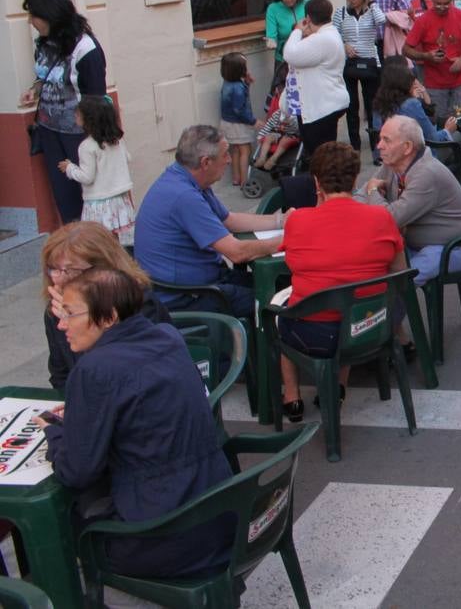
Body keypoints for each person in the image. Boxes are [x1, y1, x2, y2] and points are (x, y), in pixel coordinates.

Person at [40, 268, 233, 579]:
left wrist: (55, 432)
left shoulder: (95, 369)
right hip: (217, 516)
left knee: (59, 523)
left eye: (70, 314)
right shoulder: (167, 337)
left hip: (161, 537)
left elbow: (76, 472)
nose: (61, 324)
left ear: (108, 317)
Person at [274, 142, 406, 421]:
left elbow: (293, 266)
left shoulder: (299, 221)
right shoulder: (381, 217)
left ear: (316, 181)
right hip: (371, 328)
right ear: (355, 178)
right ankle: (337, 386)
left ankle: (292, 395)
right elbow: (399, 272)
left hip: (314, 336)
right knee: (350, 298)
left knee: (282, 307)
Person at [135, 126, 284, 317]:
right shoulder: (184, 196)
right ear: (205, 162)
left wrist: (281, 221)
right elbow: (236, 253)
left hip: (201, 282)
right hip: (186, 296)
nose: (230, 160)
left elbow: (229, 220)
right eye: (225, 155)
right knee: (278, 301)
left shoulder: (184, 178)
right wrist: (286, 242)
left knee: (280, 284)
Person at [40, 222, 168, 391]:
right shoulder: (54, 312)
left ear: (105, 268)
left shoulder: (137, 304)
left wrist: (77, 320)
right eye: (54, 269)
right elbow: (60, 376)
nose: (61, 279)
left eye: (71, 270)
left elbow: (121, 378)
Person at [19, 0, 109, 223]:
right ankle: (75, 249)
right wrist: (35, 90)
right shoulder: (44, 43)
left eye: (33, 16)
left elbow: (96, 97)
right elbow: (46, 75)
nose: (30, 22)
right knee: (65, 198)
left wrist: (94, 138)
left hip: (78, 135)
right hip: (50, 131)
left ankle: (96, 248)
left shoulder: (86, 49)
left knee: (90, 195)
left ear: (50, 16)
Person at [361, 116, 461, 286]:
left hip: (457, 248)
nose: (378, 145)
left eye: (386, 140)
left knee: (397, 283)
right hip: (420, 245)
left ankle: (390, 309)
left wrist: (373, 191)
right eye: (380, 139)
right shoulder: (392, 165)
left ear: (407, 147)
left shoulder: (426, 173)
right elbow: (360, 195)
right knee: (369, 266)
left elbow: (389, 219)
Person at [59, 96, 136, 246]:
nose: (75, 116)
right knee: (119, 242)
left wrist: (70, 168)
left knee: (101, 242)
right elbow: (128, 158)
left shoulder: (87, 147)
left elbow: (87, 177)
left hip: (99, 204)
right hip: (120, 200)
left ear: (89, 119)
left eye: (78, 114)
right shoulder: (118, 141)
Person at [403, 0, 461, 121]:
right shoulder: (423, 20)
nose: (442, 7)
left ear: (452, 0)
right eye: (438, 4)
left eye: (446, 4)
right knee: (438, 121)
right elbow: (406, 49)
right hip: (435, 83)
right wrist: (426, 56)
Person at [283, 0, 350, 154]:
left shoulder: (322, 39)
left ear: (308, 18)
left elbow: (290, 54)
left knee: (320, 157)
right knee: (321, 156)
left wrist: (297, 30)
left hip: (321, 108)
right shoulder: (327, 34)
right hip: (323, 105)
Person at [335, 0, 388, 155]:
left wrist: (371, 3)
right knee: (351, 106)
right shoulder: (340, 12)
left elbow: (382, 21)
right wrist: (344, 45)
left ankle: (376, 145)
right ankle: (355, 145)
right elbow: (333, 36)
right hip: (349, 63)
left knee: (372, 104)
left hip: (370, 61)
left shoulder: (373, 10)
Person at [217, 52, 259, 188]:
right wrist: (253, 121)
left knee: (234, 150)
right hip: (239, 125)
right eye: (245, 67)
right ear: (239, 70)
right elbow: (239, 109)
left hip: (226, 123)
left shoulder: (227, 83)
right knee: (245, 151)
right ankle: (245, 181)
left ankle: (236, 178)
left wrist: (246, 83)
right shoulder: (238, 87)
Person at [264, 0, 307, 66]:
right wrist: (271, 41)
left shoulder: (308, 3)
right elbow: (271, 35)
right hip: (283, 59)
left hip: (307, 56)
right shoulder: (273, 9)